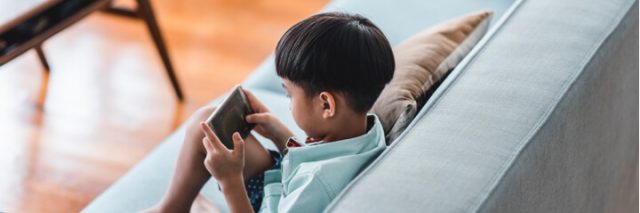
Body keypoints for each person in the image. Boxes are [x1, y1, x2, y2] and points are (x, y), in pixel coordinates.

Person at [146, 12, 395, 213]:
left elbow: (311, 179)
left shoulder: (316, 187)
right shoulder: (367, 132)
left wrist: (229, 181)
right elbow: (314, 161)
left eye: (289, 94)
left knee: (209, 135)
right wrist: (280, 135)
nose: (288, 103)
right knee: (207, 125)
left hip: (270, 202)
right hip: (280, 186)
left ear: (326, 105)